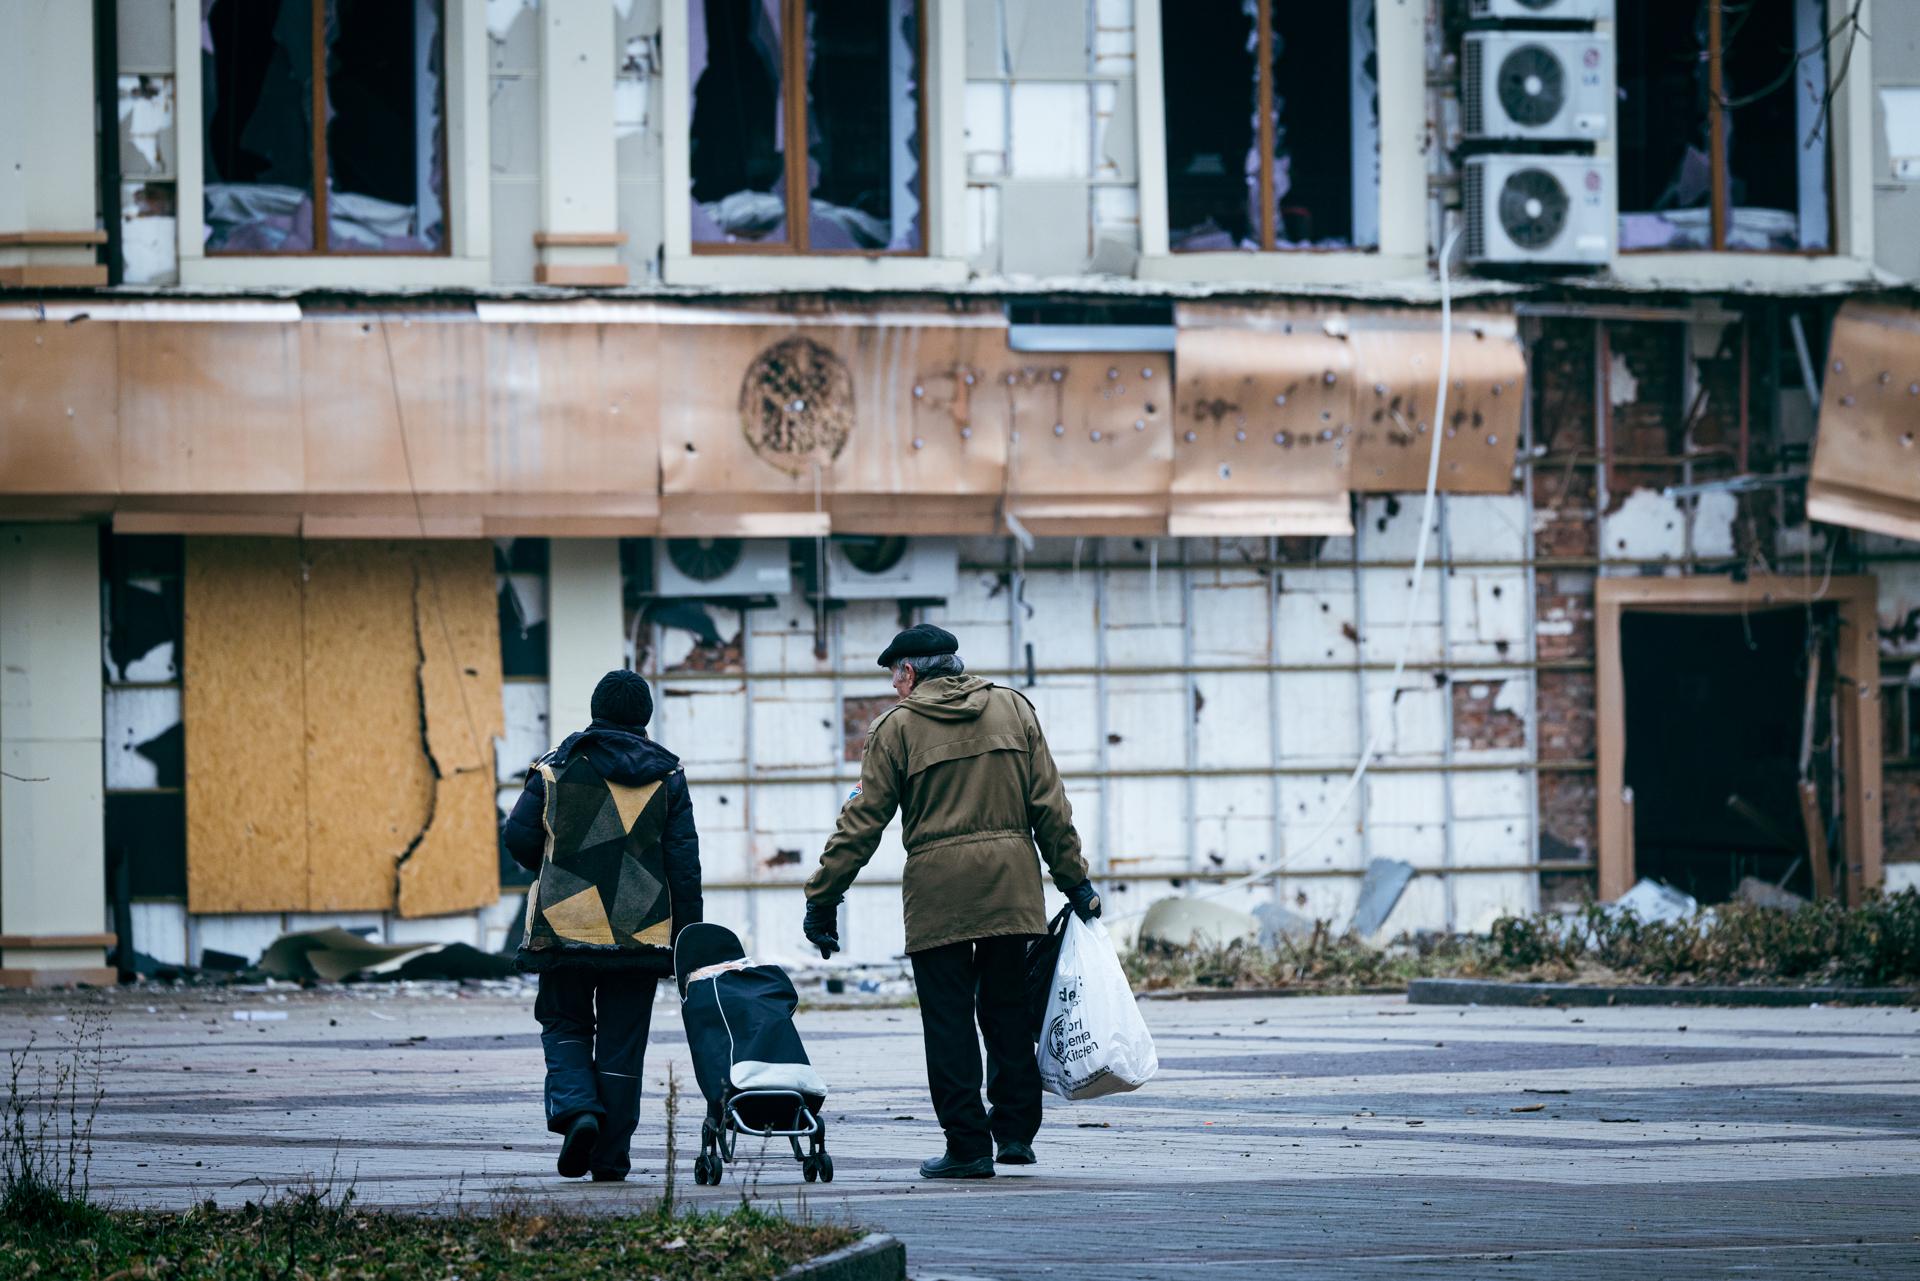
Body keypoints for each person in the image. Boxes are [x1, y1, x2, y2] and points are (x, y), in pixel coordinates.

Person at [802, 624, 1102, 1179]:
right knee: (1009, 1013)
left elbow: (862, 822)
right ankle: (1013, 1133)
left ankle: (968, 1146)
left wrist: (824, 897)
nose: (896, 691)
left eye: (895, 679)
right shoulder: (1013, 709)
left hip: (938, 895)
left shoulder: (898, 727)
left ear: (909, 673)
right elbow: (1051, 809)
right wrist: (1075, 883)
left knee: (949, 1022)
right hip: (1011, 889)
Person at [502, 669, 701, 1182]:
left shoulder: (556, 765)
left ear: (595, 710)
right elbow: (683, 863)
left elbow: (520, 839)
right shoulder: (668, 774)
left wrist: (559, 858)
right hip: (642, 933)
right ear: (645, 719)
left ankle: (577, 1110)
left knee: (565, 1023)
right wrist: (689, 938)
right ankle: (610, 1159)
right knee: (623, 1041)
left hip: (564, 926)